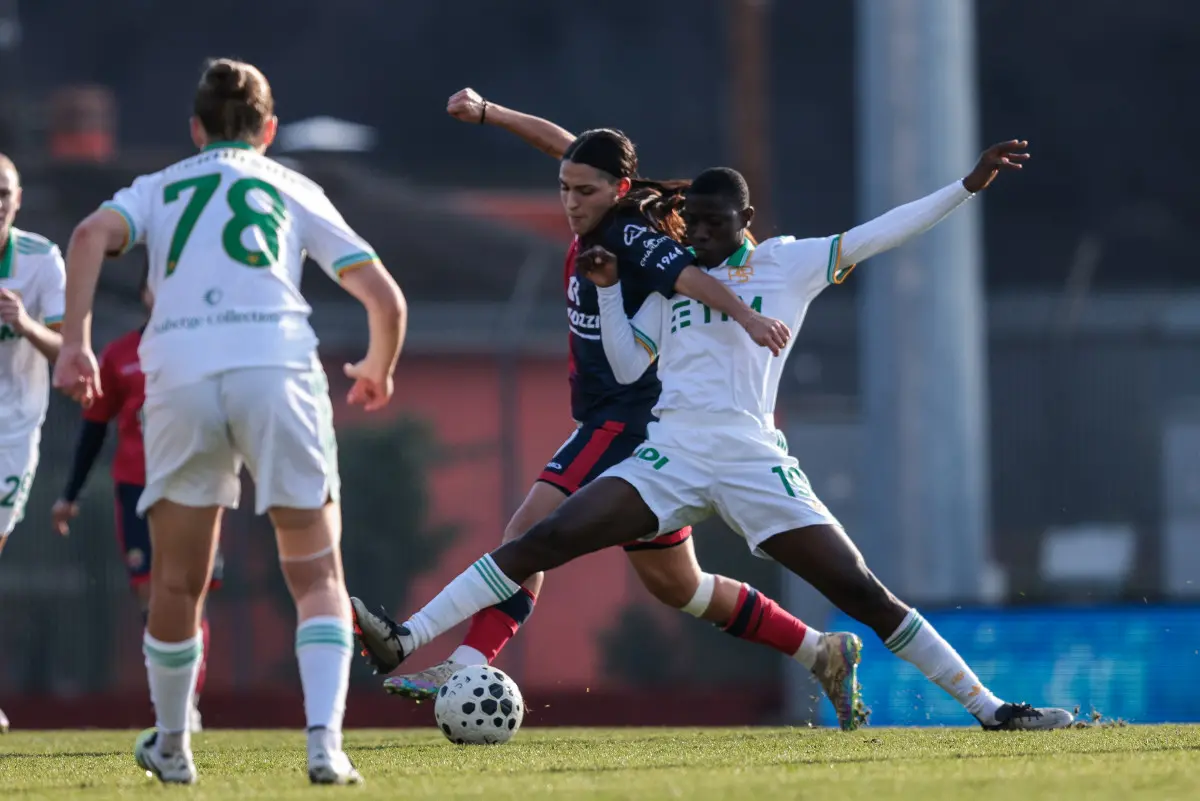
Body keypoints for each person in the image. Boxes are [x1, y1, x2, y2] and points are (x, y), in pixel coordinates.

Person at [353, 141, 1077, 731]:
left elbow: (881, 232)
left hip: (753, 459)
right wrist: (608, 289)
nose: (698, 236)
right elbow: (630, 361)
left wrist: (966, 185)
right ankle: (406, 636)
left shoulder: (789, 263)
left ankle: (992, 708)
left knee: (859, 588)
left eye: (712, 224)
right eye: (691, 225)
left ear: (746, 217)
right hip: (671, 455)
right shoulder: (674, 278)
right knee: (540, 540)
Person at [352, 92, 867, 731]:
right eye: (565, 186)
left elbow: (687, 277)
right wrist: (492, 114)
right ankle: (822, 650)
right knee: (680, 586)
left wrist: (748, 317)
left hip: (626, 418)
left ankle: (460, 660)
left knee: (527, 531)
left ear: (611, 189)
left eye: (581, 189)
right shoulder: (598, 205)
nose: (570, 198)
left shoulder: (626, 233)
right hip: (623, 419)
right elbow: (565, 148)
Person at [53, 58, 407, 784]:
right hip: (274, 366)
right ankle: (323, 745)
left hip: (177, 372)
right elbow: (387, 300)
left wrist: (75, 346)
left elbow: (88, 234)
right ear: (269, 130)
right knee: (315, 572)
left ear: (195, 129)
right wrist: (378, 366)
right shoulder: (291, 184)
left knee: (176, 580)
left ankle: (175, 745)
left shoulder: (159, 187)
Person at [52, 262, 221, 733]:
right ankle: (171, 704)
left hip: (194, 484)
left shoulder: (204, 348)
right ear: (145, 293)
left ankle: (187, 700)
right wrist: (69, 494)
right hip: (136, 489)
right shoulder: (120, 354)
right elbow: (93, 428)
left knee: (191, 595)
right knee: (152, 599)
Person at [0, 153, 66, 735]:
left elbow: (68, 353)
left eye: (3, 192)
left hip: (12, 427)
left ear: (17, 199)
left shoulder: (41, 260)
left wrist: (25, 323)